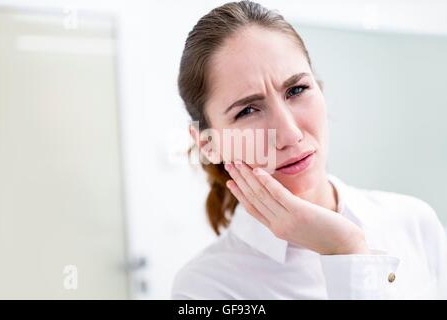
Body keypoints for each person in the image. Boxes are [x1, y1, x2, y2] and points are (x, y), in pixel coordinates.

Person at [172, 0, 447, 299]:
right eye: (248, 110)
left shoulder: (414, 222)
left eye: (296, 90)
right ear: (208, 144)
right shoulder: (204, 288)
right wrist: (345, 249)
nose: (289, 134)